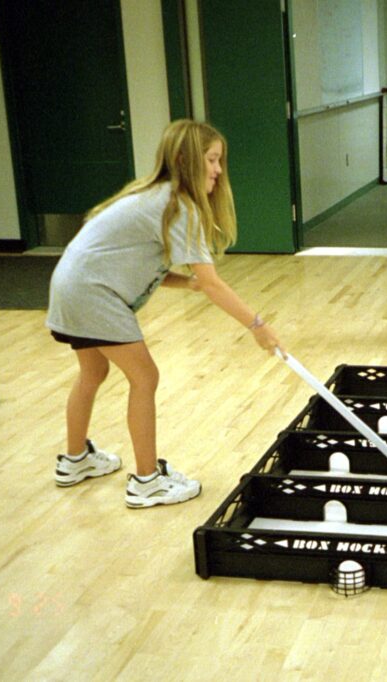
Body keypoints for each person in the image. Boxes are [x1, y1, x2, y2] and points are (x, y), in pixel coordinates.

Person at [45, 120, 283, 509]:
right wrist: (258, 325)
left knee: (93, 372)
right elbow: (212, 283)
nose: (218, 170)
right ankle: (146, 481)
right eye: (211, 160)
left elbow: (133, 260)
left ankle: (75, 460)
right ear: (183, 159)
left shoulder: (154, 196)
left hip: (70, 287)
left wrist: (183, 282)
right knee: (145, 377)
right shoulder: (178, 206)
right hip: (93, 295)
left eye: (219, 161)